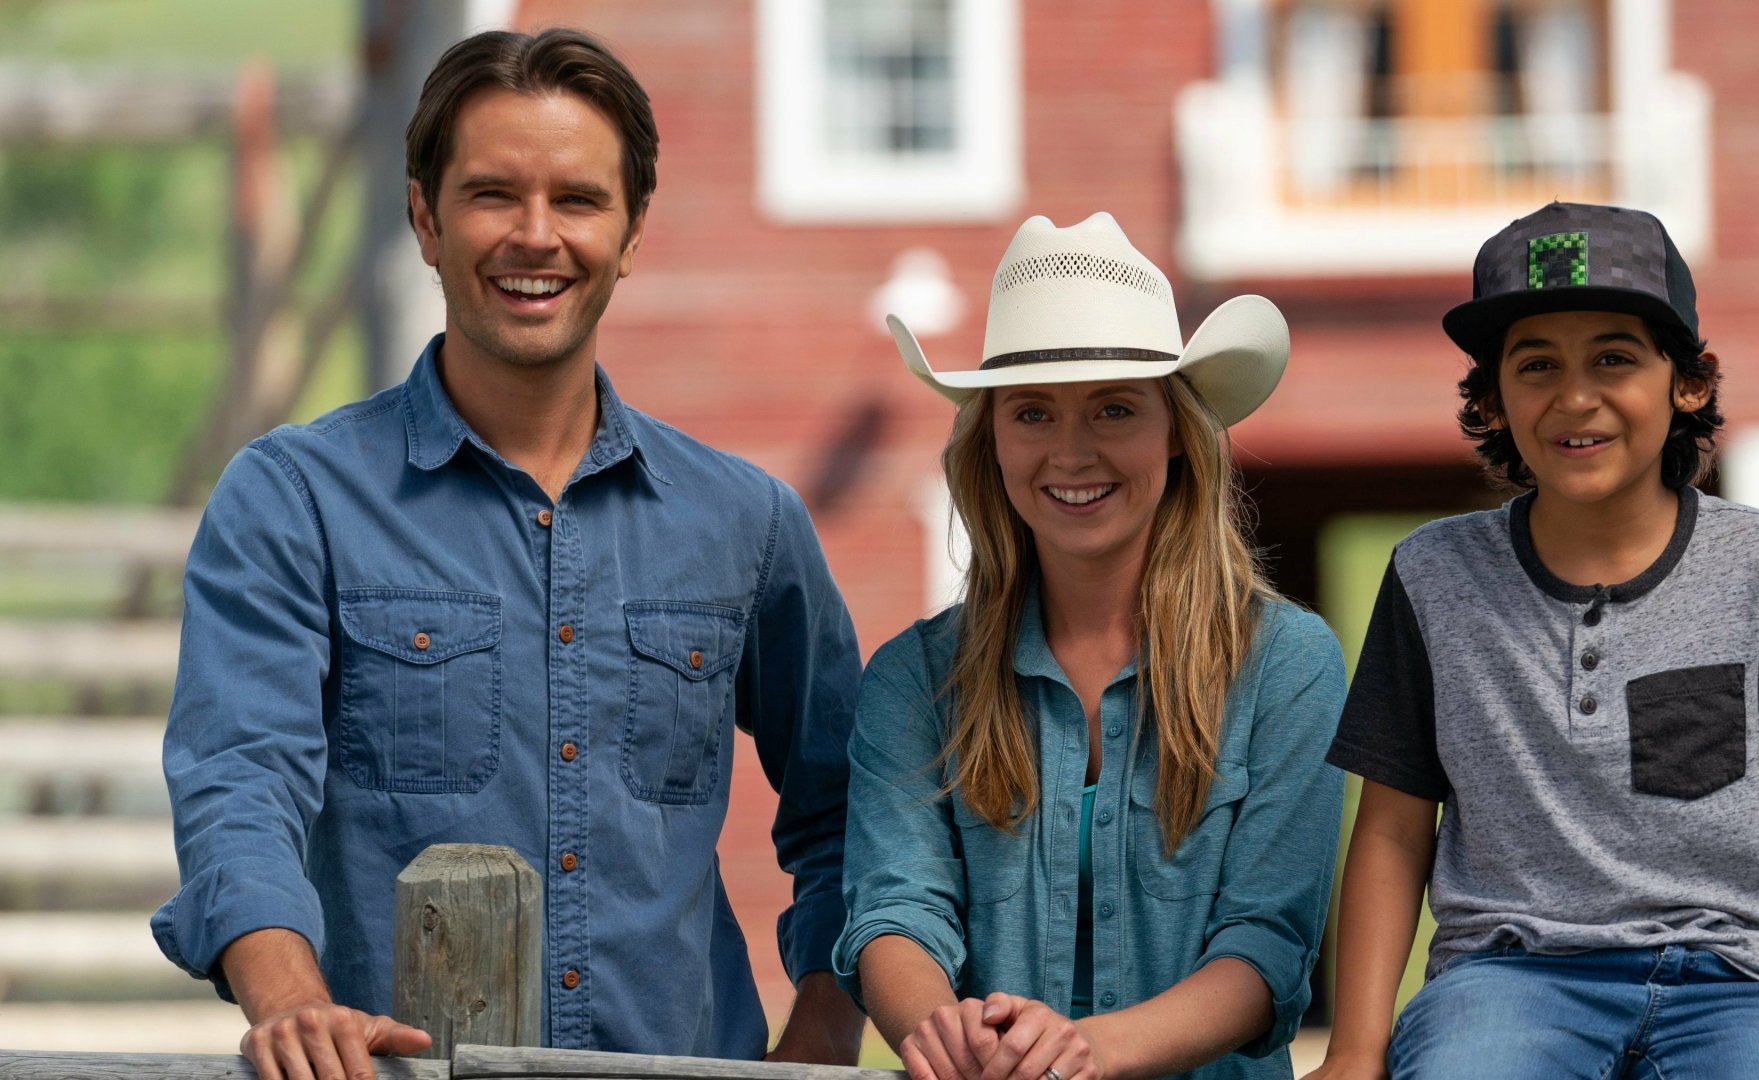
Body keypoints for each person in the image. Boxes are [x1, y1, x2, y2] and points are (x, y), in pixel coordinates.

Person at [152, 27, 866, 1080]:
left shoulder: (745, 521)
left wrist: (822, 1037)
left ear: (629, 234)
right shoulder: (293, 500)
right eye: (493, 196)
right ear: (423, 218)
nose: (536, 237)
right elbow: (238, 781)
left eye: (578, 200)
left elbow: (851, 807)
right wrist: (293, 1003)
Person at [1307, 202, 1759, 1079]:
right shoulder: (1432, 578)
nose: (1574, 396)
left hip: (1740, 982)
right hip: (1505, 977)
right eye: (1537, 364)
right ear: (1492, 398)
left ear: (1689, 382)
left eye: (1614, 359)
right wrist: (1356, 1052)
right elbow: (1395, 830)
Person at [834, 212, 1347, 1080]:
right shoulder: (913, 681)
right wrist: (946, 1036)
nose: (1071, 453)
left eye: (1114, 408)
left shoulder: (1286, 664)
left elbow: (1266, 949)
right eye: (1033, 412)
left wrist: (1084, 1054)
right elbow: (894, 912)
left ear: (1177, 434)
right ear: (991, 440)